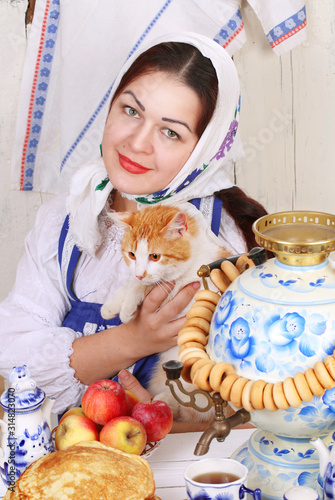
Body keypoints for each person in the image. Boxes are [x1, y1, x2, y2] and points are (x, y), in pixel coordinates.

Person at [0, 33, 266, 426]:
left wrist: (172, 421)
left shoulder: (225, 240)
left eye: (171, 131)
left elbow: (264, 404)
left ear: (204, 149)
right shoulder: (63, 220)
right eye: (131, 111)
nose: (137, 143)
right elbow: (12, 364)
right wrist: (134, 340)